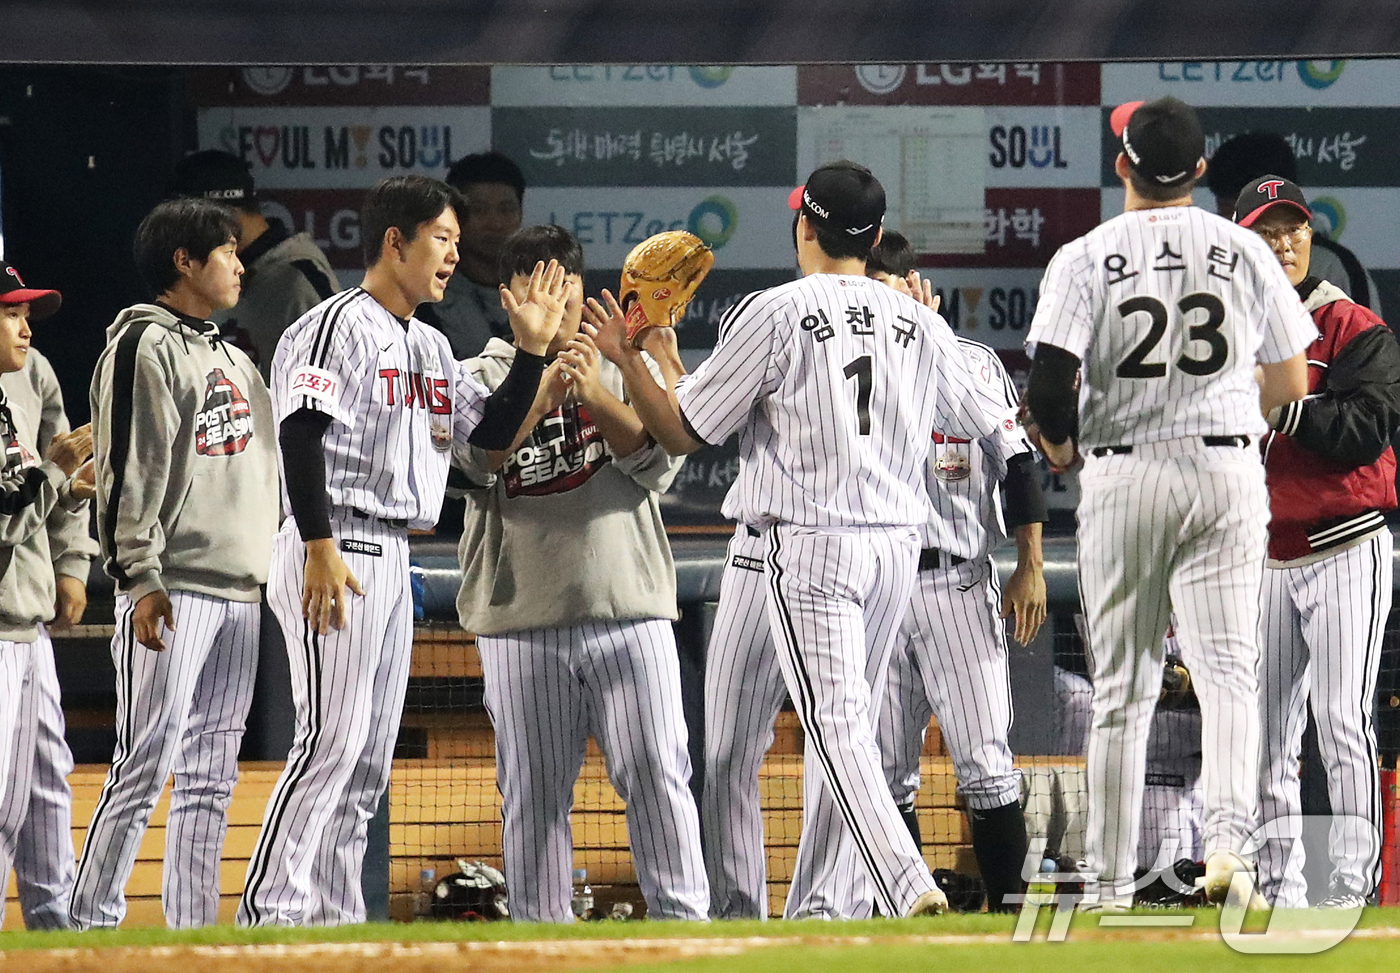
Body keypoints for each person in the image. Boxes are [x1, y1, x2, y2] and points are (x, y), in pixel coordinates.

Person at [592, 160, 1000, 919]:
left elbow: (679, 431)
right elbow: (990, 425)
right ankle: (756, 914)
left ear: (802, 226)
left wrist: (625, 356)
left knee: (836, 729)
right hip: (887, 548)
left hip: (807, 541)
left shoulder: (773, 309)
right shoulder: (921, 321)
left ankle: (883, 889)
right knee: (743, 749)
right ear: (875, 238)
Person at [237, 175, 565, 927]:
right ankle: (270, 911)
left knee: (365, 762)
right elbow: (300, 432)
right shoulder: (333, 324)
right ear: (395, 241)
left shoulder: (428, 342)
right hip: (337, 538)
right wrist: (317, 541)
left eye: (454, 241)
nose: (453, 254)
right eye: (442, 239)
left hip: (391, 551)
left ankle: (333, 916)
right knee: (330, 740)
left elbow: (486, 436)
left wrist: (531, 353)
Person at [1023, 97, 1314, 911]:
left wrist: (1059, 447)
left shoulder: (1086, 254)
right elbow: (1292, 381)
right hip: (1226, 473)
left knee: (1122, 692)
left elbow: (1050, 387)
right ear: (1198, 171)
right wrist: (1220, 412)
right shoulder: (1244, 248)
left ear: (1122, 166)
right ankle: (1227, 847)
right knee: (1230, 675)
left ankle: (1112, 881)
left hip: (1125, 477)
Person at [452, 224, 708, 922]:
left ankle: (684, 929)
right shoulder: (476, 375)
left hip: (629, 609)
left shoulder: (620, 360)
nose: (556, 303)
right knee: (534, 793)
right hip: (520, 622)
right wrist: (539, 381)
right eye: (538, 289)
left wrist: (594, 387)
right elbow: (479, 465)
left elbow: (661, 464)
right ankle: (540, 939)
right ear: (509, 297)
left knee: (659, 774)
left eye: (565, 286)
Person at [72, 198, 279, 929]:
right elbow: (130, 470)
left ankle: (193, 931)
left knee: (211, 776)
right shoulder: (141, 345)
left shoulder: (232, 354)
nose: (238, 262)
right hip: (174, 587)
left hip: (241, 589)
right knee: (145, 762)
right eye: (223, 250)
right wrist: (140, 575)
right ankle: (87, 923)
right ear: (182, 262)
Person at [1232, 175, 1400, 908]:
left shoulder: (1351, 324)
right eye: (1269, 229)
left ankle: (1350, 892)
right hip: (1264, 554)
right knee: (1266, 736)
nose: (1285, 241)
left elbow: (1367, 430)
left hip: (1345, 544)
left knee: (1341, 721)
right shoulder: (1223, 328)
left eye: (1294, 226)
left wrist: (1288, 409)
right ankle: (1280, 893)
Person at [873, 234, 1049, 914]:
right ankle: (907, 921)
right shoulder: (846, 363)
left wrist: (1030, 565)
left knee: (984, 760)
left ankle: (1011, 915)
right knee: (887, 773)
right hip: (877, 585)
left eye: (886, 287)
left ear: (916, 286)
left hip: (955, 580)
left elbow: (1020, 463)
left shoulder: (968, 363)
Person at [0, 270, 94, 930]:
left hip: (26, 625)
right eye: (10, 315)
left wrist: (72, 563)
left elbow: (69, 482)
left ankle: (59, 946)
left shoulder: (33, 376)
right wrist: (55, 472)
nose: (26, 327)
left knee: (45, 792)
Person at [171, 150, 341, 380]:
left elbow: (342, 385)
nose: (187, 236)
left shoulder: (297, 280)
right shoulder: (207, 275)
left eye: (191, 223)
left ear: (225, 214)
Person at [1206, 133, 1381, 317]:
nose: (1232, 229)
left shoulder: (1333, 268)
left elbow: (1371, 343)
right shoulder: (1208, 261)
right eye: (1225, 216)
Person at [417, 152, 526, 360]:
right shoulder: (424, 300)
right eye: (479, 210)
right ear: (453, 217)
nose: (495, 224)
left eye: (506, 210)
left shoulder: (544, 294)